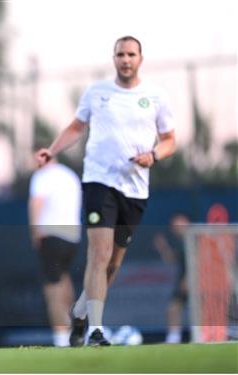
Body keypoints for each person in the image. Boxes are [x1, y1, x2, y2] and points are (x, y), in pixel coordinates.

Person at [36, 36, 177, 346]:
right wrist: (51, 149)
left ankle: (82, 312)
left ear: (140, 58)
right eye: (120, 54)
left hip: (135, 190)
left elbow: (170, 140)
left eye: (131, 54)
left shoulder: (155, 96)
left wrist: (153, 155)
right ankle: (96, 330)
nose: (125, 59)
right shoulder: (97, 92)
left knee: (113, 263)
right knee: (99, 255)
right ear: (114, 58)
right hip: (99, 182)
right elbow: (76, 127)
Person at [28, 150, 82, 347]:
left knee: (52, 287)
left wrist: (35, 232)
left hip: (51, 234)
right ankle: (74, 329)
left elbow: (36, 202)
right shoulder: (69, 175)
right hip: (72, 237)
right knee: (64, 279)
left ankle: (61, 337)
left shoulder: (42, 176)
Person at [153, 213, 190, 344]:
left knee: (204, 310)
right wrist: (163, 247)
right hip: (184, 283)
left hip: (197, 283)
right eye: (174, 226)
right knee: (173, 308)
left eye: (179, 224)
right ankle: (173, 338)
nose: (176, 228)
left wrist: (188, 279)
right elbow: (171, 258)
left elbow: (199, 262)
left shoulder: (195, 239)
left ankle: (209, 335)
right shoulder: (182, 243)